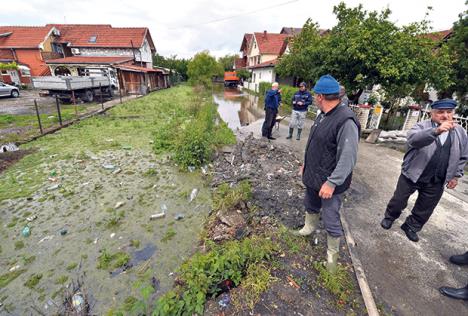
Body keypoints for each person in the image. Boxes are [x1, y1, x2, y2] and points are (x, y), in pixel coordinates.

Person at [295, 74, 360, 273]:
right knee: (311, 204)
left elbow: (348, 158)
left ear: (321, 96)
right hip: (314, 175)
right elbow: (314, 143)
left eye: (316, 95)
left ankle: (331, 262)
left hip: (329, 182)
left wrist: (332, 183)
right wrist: (305, 164)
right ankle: (308, 228)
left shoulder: (346, 121)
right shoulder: (322, 114)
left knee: (331, 219)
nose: (315, 97)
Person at [380, 99, 468, 242]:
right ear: (431, 113)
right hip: (412, 174)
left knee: (425, 207)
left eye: (449, 112)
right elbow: (414, 140)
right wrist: (436, 131)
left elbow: (463, 156)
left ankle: (411, 226)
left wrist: (455, 176)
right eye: (440, 112)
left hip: (437, 179)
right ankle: (390, 217)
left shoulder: (460, 132)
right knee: (398, 201)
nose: (445, 116)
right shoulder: (421, 126)